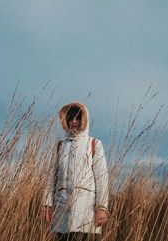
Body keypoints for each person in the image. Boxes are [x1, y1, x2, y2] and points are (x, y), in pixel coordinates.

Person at [43, 102, 109, 241]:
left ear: (84, 119)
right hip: (61, 210)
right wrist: (47, 205)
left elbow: (102, 178)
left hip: (86, 211)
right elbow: (50, 178)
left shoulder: (94, 144)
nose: (73, 121)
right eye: (70, 118)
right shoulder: (60, 146)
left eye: (77, 118)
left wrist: (102, 208)